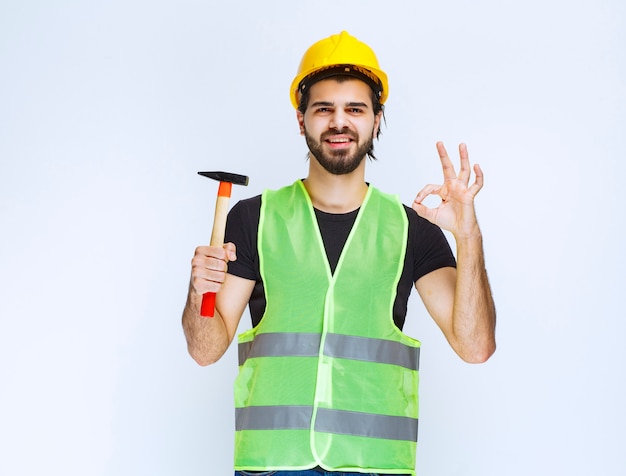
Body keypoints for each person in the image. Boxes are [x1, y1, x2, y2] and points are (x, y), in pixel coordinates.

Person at [182, 31, 496, 476]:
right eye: (324, 108)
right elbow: (205, 349)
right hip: (273, 466)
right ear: (301, 119)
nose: (338, 122)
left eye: (355, 109)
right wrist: (199, 290)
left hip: (375, 466)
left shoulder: (414, 229)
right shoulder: (254, 219)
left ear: (376, 119)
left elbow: (476, 346)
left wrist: (469, 236)